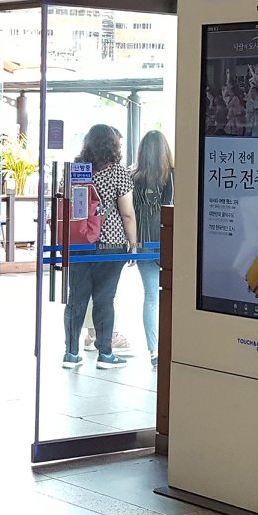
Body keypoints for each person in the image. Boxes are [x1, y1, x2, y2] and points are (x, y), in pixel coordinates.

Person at [63, 124, 136, 370]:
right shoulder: (118, 172)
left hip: (79, 242)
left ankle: (71, 353)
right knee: (105, 299)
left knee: (76, 299)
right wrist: (133, 244)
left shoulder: (76, 170)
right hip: (110, 243)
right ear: (113, 145)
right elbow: (127, 214)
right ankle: (105, 353)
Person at [132, 130, 175, 364]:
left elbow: (130, 213)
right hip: (167, 243)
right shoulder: (172, 176)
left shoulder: (134, 177)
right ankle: (172, 345)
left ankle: (154, 350)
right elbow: (172, 207)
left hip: (143, 244)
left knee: (151, 297)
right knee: (172, 295)